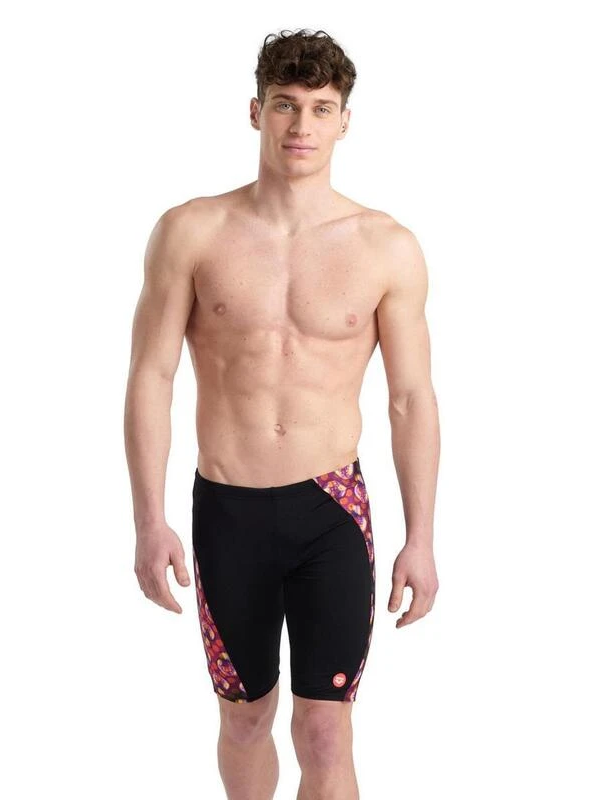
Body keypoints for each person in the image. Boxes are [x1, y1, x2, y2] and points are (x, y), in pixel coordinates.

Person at [124, 27, 440, 800]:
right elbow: (151, 376)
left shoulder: (386, 246)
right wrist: (149, 521)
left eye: (321, 108)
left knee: (326, 730)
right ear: (256, 111)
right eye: (286, 105)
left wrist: (422, 537)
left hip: (331, 509)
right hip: (228, 508)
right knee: (245, 721)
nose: (303, 125)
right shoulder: (192, 231)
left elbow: (410, 399)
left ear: (345, 121)